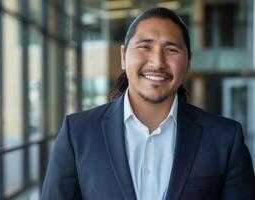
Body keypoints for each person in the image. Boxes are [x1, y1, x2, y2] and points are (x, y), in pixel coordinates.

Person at [40, 7, 255, 200]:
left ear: (188, 61)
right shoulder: (77, 133)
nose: (157, 62)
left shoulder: (225, 138)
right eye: (145, 47)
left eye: (171, 50)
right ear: (124, 57)